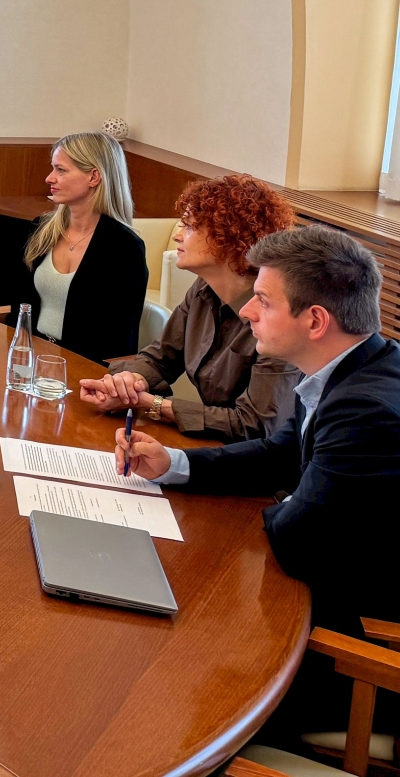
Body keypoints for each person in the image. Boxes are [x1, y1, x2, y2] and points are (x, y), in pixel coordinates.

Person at [114, 226, 400, 743]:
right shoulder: (350, 368)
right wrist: (173, 463)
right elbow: (280, 454)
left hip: (351, 658)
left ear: (316, 321)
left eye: (264, 301)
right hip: (311, 606)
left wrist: (285, 504)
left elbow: (299, 539)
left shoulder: (368, 409)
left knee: (158, 701)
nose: (247, 312)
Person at [79, 175, 299, 441]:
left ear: (228, 238)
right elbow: (160, 358)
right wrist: (128, 382)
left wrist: (152, 404)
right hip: (217, 447)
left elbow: (255, 425)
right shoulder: (203, 289)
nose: (177, 235)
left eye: (190, 227)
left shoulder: (280, 316)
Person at [20, 132, 147, 364]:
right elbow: (19, 307)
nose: (49, 178)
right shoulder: (41, 229)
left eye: (61, 170)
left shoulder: (125, 248)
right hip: (31, 356)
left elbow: (120, 338)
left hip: (85, 370)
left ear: (94, 177)